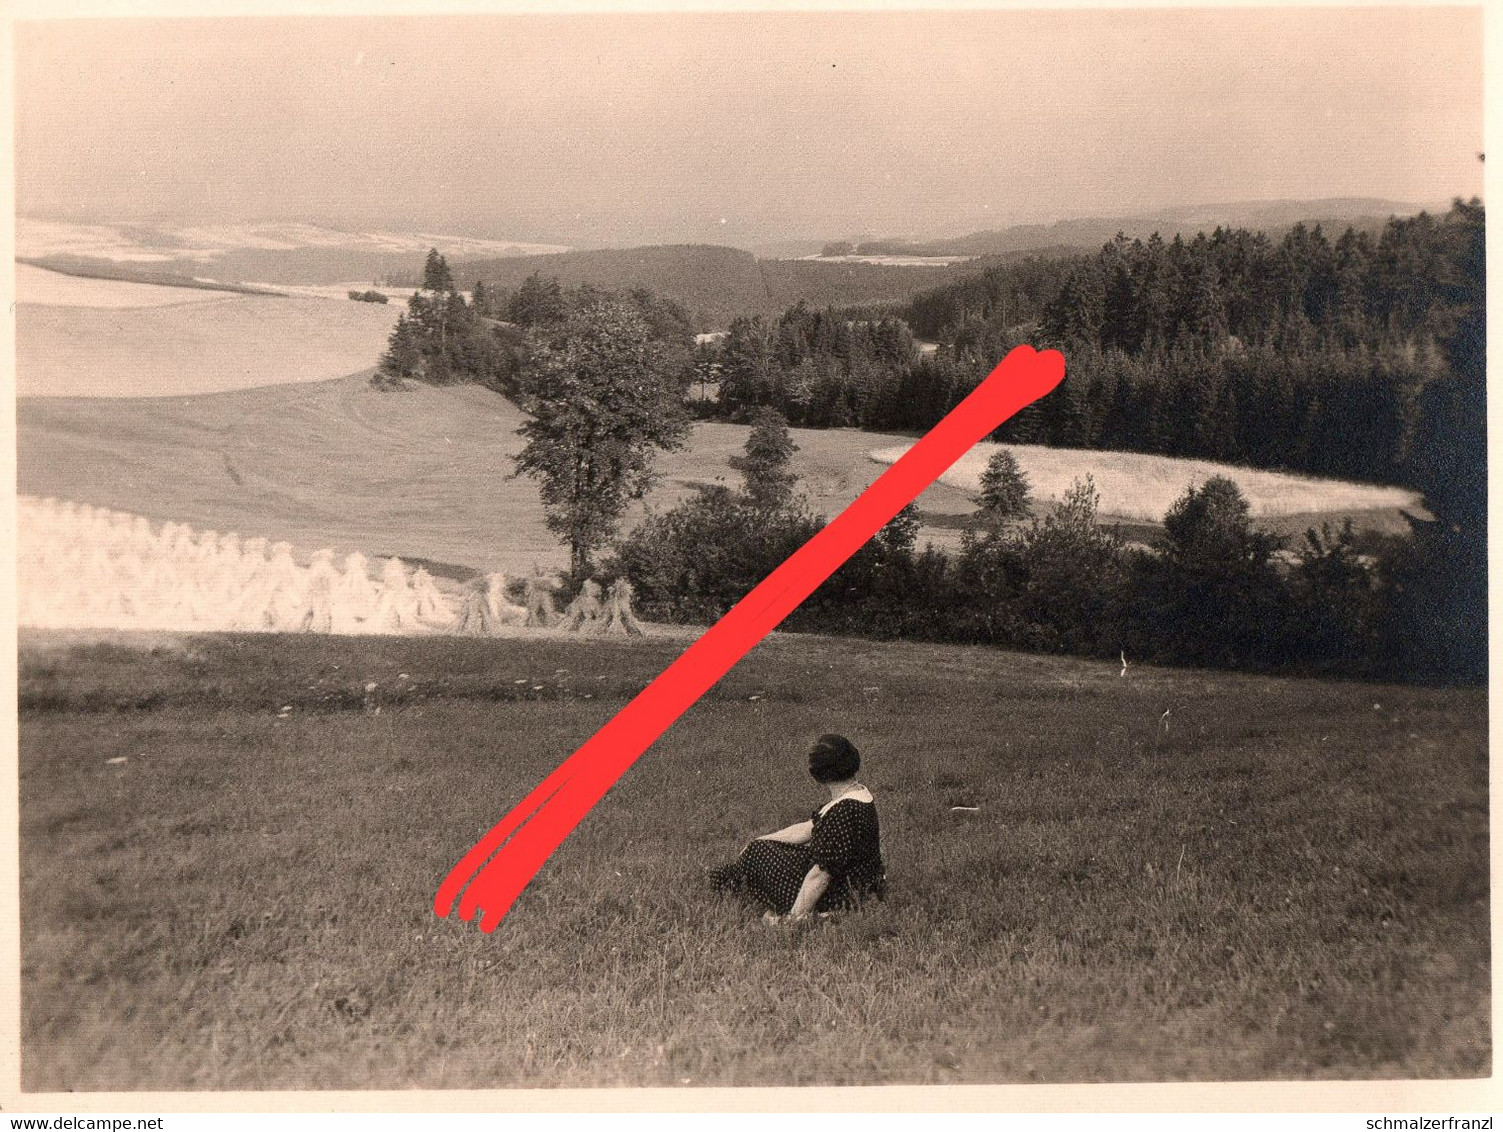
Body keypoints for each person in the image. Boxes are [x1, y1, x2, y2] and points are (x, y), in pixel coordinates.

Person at [710, 733, 885, 923]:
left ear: (819, 773)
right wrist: (761, 840)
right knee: (758, 849)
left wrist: (791, 919)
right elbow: (807, 829)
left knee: (752, 860)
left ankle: (819, 914)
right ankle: (739, 881)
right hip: (858, 881)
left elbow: (822, 875)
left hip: (842, 891)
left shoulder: (844, 810)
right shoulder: (856, 794)